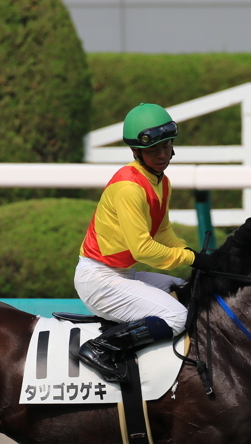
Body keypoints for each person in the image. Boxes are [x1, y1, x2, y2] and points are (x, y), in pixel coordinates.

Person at [72, 103, 211, 382]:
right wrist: (191, 259)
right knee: (177, 318)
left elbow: (162, 231)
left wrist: (191, 253)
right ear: (136, 151)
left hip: (121, 274)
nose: (162, 155)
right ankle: (100, 348)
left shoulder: (162, 182)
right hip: (98, 279)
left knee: (189, 292)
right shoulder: (129, 188)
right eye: (153, 150)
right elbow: (143, 249)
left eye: (166, 146)